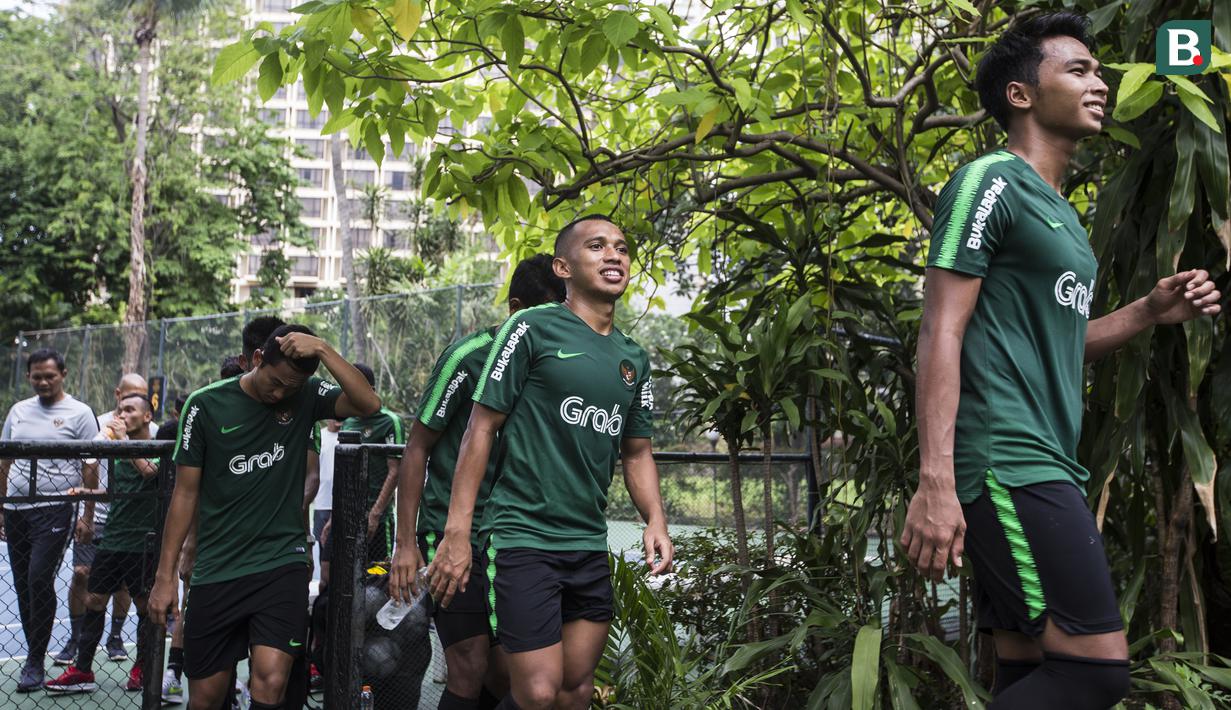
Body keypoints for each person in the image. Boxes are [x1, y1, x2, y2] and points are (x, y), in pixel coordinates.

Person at [899, 13, 1222, 709]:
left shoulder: (1063, 218)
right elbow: (940, 328)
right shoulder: (989, 182)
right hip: (1006, 460)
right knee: (1092, 672)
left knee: (1029, 669)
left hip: (1045, 459)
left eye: (1098, 71)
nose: (1100, 83)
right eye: (1078, 70)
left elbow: (1057, 343)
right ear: (1020, 94)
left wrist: (1147, 311)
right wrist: (935, 481)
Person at [428, 217, 674, 710]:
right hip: (523, 538)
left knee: (574, 690)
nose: (614, 255)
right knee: (538, 691)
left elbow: (636, 451)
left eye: (621, 248)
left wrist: (656, 519)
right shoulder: (530, 328)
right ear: (563, 267)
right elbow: (480, 429)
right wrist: (457, 532)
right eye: (597, 246)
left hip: (587, 543)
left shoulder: (633, 358)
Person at [147, 324, 379, 710]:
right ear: (256, 359)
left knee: (271, 680)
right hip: (217, 568)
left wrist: (323, 349)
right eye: (275, 382)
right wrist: (164, 576)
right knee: (206, 697)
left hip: (280, 563)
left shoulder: (306, 394)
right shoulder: (204, 405)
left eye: (291, 387)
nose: (280, 393)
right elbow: (185, 494)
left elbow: (368, 403)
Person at [389, 253, 565, 710]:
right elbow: (417, 447)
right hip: (453, 532)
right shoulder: (468, 357)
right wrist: (404, 543)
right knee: (467, 665)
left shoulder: (561, 365)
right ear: (515, 308)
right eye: (545, 314)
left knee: (508, 676)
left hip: (517, 537)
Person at [45, 393, 160, 694]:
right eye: (120, 410)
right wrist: (86, 492)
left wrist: (123, 442)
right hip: (113, 538)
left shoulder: (159, 447)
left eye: (130, 410)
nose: (122, 415)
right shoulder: (118, 451)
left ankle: (143, 667)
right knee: (94, 600)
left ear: (147, 416)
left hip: (143, 544)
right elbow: (114, 493)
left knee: (144, 606)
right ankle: (82, 670)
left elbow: (150, 473)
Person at [0, 348, 99, 692]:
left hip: (56, 508)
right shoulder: (18, 411)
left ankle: (34, 660)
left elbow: (90, 466)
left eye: (50, 376)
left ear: (63, 375)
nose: (43, 382)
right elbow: (5, 461)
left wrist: (87, 515)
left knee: (39, 578)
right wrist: (1, 506)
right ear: (28, 376)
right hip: (17, 509)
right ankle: (34, 653)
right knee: (23, 584)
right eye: (37, 376)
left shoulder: (80, 413)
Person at [340, 363, 404, 565]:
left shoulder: (390, 421)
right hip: (349, 515)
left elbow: (395, 471)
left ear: (371, 391)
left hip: (379, 518)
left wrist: (375, 513)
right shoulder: (348, 422)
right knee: (343, 572)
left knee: (378, 573)